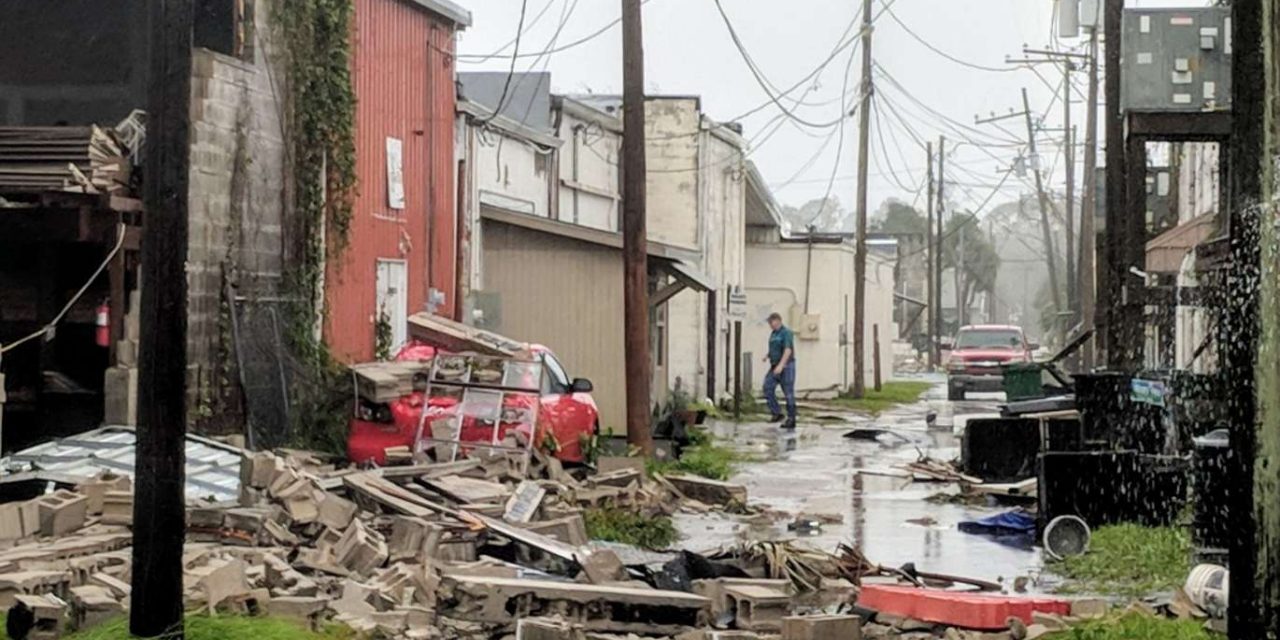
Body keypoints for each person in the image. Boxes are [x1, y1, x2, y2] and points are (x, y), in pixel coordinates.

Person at [762, 312, 797, 429]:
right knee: (767, 387)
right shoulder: (773, 334)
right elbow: (774, 348)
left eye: (771, 322)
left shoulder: (786, 333)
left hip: (786, 366)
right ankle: (777, 413)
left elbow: (787, 350)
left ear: (777, 321)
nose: (770, 325)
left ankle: (791, 418)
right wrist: (767, 355)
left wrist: (781, 365)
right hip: (774, 365)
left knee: (788, 392)